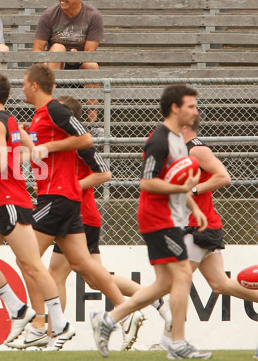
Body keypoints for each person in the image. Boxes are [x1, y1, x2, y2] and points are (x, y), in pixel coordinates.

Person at [91, 85, 211, 359]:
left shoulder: (179, 140)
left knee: (164, 283)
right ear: (175, 108)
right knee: (182, 275)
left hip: (172, 216)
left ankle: (108, 319)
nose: (195, 111)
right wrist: (183, 193)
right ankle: (176, 343)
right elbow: (147, 182)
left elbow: (179, 182)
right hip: (157, 217)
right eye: (190, 106)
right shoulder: (159, 140)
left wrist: (194, 206)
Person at [0, 71, 73, 350]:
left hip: (10, 201)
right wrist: (18, 150)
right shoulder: (8, 121)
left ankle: (59, 324)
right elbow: (31, 150)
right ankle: (20, 310)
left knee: (32, 265)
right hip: (1, 202)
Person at [17, 64, 126, 351]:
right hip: (55, 196)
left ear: (34, 86)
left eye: (24, 83)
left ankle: (41, 325)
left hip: (58, 196)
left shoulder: (55, 110)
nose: (22, 88)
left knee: (26, 258)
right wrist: (25, 138)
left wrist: (48, 149)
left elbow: (86, 139)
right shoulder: (39, 117)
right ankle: (125, 311)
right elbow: (39, 153)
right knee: (82, 265)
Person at [181, 117, 258, 350]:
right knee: (220, 284)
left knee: (176, 283)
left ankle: (172, 340)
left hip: (198, 226)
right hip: (198, 224)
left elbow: (224, 177)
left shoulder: (197, 149)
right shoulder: (179, 150)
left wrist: (193, 189)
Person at [33, 0, 103, 71]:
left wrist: (75, 57)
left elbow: (89, 52)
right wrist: (44, 65)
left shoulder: (93, 16)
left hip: (79, 63)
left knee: (92, 66)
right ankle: (51, 85)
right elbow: (37, 49)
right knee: (58, 48)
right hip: (54, 63)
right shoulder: (49, 15)